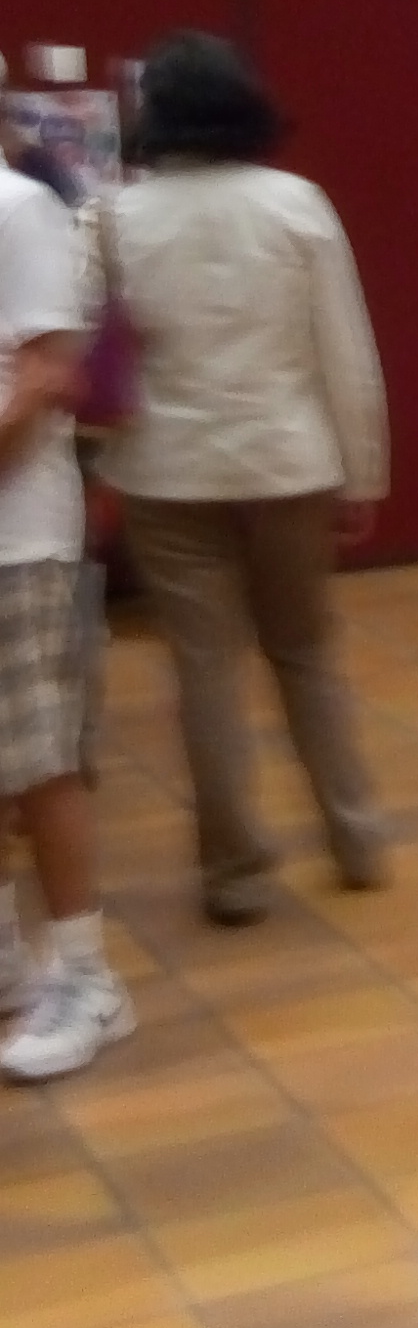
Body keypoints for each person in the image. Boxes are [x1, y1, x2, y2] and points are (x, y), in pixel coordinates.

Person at [103, 30, 389, 922]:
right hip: (288, 461)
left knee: (206, 673)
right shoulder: (297, 203)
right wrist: (363, 474)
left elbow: (95, 356)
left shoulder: (116, 217)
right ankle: (357, 838)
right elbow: (344, 350)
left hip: (167, 471)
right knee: (306, 652)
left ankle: (235, 875)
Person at [0, 123, 129, 1077]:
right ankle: (9, 956)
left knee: (39, 760)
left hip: (18, 540)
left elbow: (47, 372)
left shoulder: (19, 209)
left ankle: (87, 977)